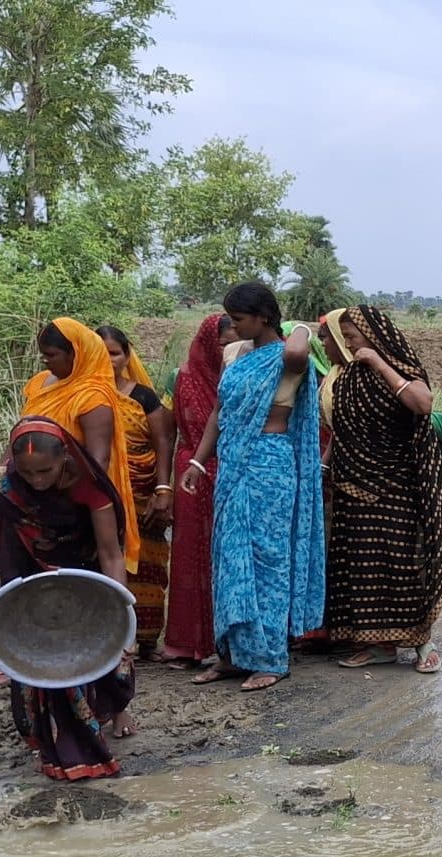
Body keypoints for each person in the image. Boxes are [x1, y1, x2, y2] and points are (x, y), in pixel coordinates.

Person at [315, 305, 442, 673]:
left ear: (371, 337)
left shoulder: (400, 369)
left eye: (352, 338)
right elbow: (342, 431)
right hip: (350, 483)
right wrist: (324, 465)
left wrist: (377, 363)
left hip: (397, 485)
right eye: (346, 340)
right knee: (361, 566)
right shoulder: (338, 378)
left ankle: (422, 642)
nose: (340, 344)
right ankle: (378, 646)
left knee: (403, 563)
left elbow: (422, 404)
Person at [0, 419, 137, 780]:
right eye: (27, 473)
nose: (37, 480)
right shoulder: (0, 489)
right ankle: (60, 744)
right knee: (42, 658)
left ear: (64, 460)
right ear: (12, 464)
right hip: (27, 580)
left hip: (84, 575)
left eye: (46, 471)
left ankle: (110, 714)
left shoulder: (87, 484)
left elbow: (110, 553)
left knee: (102, 653)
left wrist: (124, 613)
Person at [178, 282, 325, 693]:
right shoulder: (234, 355)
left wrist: (300, 329)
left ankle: (270, 658)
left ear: (263, 316)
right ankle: (232, 654)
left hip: (270, 466)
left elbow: (296, 348)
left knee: (267, 560)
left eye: (239, 318)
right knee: (229, 559)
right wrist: (197, 461)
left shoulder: (290, 359)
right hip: (232, 465)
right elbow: (219, 413)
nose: (232, 325)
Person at [21, 319, 141, 575]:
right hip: (31, 495)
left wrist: (64, 498)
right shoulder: (40, 384)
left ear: (76, 353)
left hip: (74, 503)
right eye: (43, 355)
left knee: (79, 582)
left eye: (52, 355)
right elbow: (22, 436)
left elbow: (97, 462)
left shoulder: (92, 396)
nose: (46, 362)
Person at [99, 325, 174, 655]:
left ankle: (145, 639)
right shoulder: (82, 395)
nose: (108, 359)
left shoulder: (142, 396)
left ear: (127, 356)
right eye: (100, 352)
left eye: (114, 352)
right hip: (101, 495)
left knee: (147, 565)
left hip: (142, 491)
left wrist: (162, 489)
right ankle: (109, 637)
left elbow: (162, 442)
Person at [161, 314, 229, 667]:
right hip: (191, 470)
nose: (227, 348)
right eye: (221, 342)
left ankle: (229, 643)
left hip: (229, 468)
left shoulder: (239, 374)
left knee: (227, 555)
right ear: (207, 343)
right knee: (189, 556)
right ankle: (187, 644)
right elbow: (170, 431)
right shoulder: (184, 378)